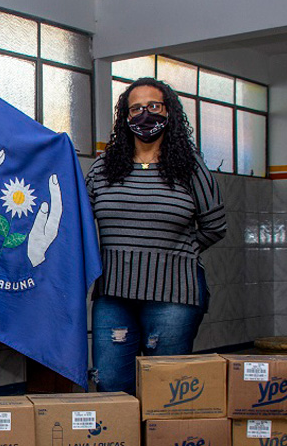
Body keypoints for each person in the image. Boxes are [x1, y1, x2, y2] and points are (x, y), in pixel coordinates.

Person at [85, 77, 226, 393]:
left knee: (164, 387)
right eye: (136, 108)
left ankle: (159, 430)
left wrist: (180, 252)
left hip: (173, 295)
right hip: (113, 293)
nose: (145, 114)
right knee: (110, 382)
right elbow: (77, 218)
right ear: (125, 117)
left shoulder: (190, 167)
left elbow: (215, 225)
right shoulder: (104, 167)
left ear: (169, 112)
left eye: (153, 106)